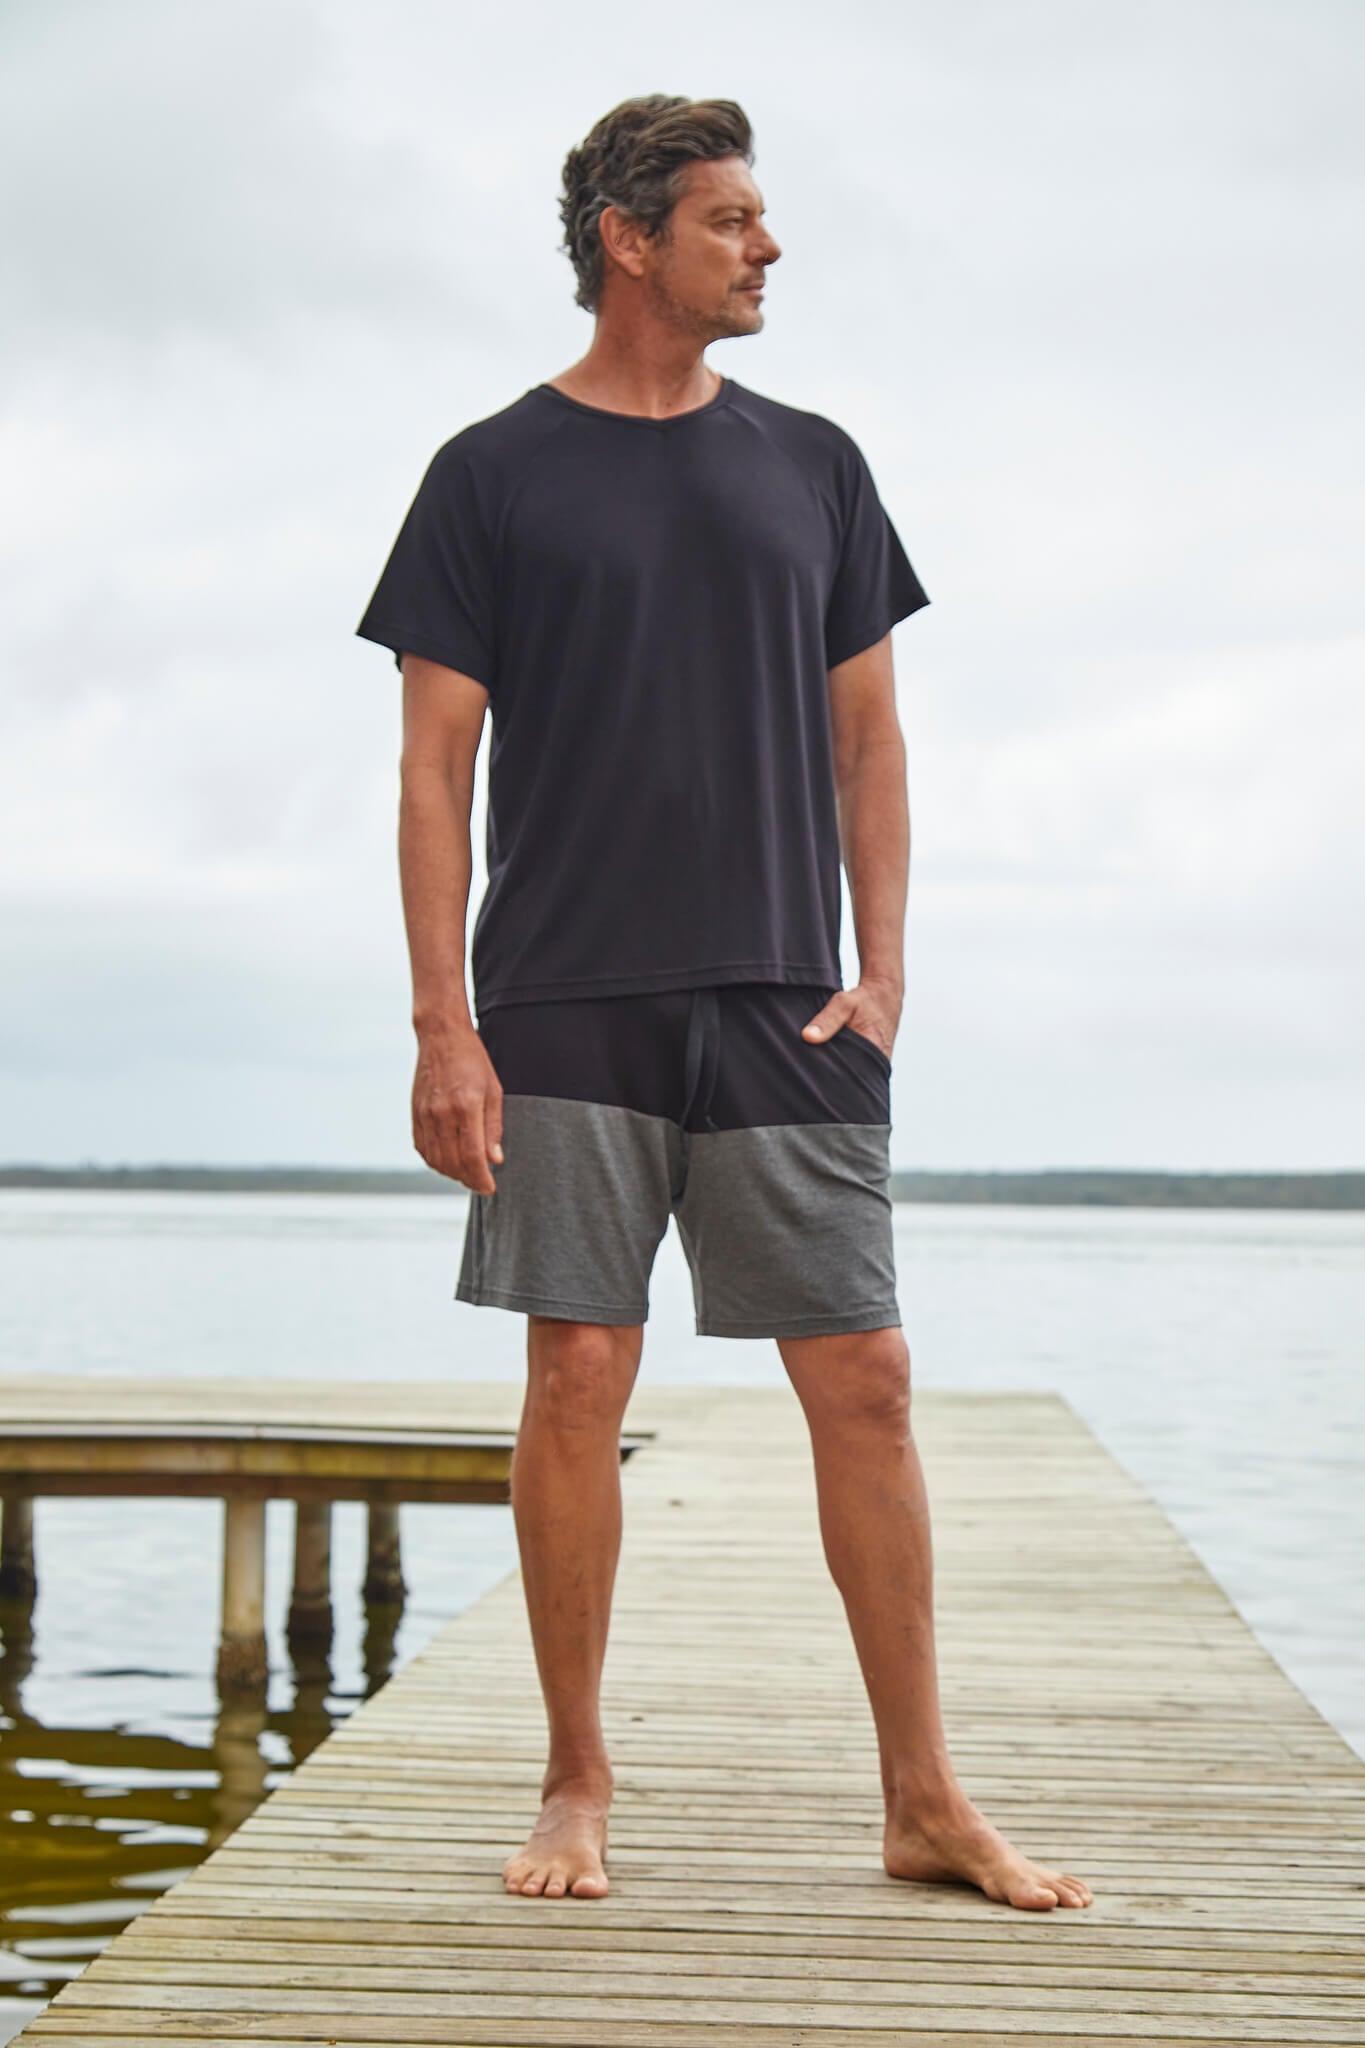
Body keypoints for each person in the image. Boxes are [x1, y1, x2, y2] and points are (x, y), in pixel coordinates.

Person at [356, 93, 1093, 1915]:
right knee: (574, 1375)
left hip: (785, 1000)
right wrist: (444, 1025)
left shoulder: (815, 465)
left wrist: (885, 968)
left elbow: (870, 738)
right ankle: (574, 1779)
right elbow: (434, 767)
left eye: (760, 219)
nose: (766, 248)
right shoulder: (488, 473)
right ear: (630, 241)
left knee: (871, 1382)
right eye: (730, 220)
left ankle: (923, 1798)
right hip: (563, 994)